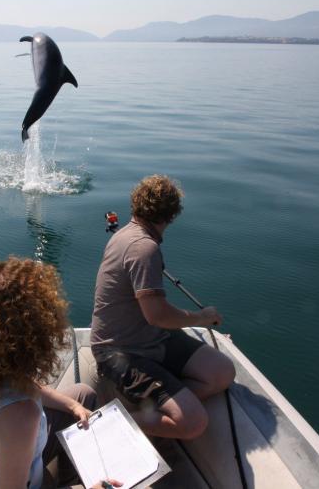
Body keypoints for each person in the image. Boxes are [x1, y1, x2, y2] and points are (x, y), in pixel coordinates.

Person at [0, 253, 122, 489]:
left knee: (83, 394)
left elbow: (28, 386)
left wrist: (73, 406)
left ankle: (69, 478)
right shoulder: (21, 416)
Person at [91, 175, 236, 439]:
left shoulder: (127, 234)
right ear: (172, 215)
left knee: (222, 372)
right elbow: (157, 315)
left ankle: (161, 400)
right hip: (120, 351)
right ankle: (101, 428)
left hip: (152, 337)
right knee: (192, 423)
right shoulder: (143, 248)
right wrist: (201, 318)